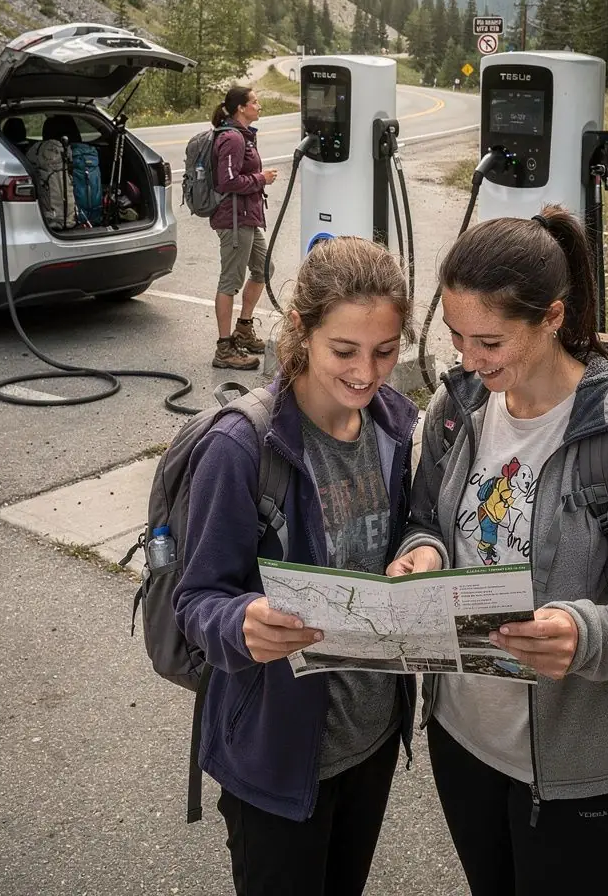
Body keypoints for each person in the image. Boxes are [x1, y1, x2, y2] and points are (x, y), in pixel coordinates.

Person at [388, 208, 608, 896]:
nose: (469, 359)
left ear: (552, 317)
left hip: (579, 765)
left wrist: (584, 633)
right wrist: (424, 553)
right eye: (456, 336)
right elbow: (424, 518)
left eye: (490, 341)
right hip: (462, 735)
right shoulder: (459, 407)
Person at [174, 236, 418, 896]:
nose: (366, 372)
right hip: (276, 756)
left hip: (370, 739)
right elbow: (196, 600)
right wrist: (242, 622)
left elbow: (400, 537)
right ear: (303, 332)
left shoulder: (394, 426)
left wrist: (417, 554)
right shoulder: (241, 447)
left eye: (385, 351)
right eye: (345, 350)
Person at [209, 85, 278, 371]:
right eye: (255, 102)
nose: (259, 106)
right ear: (241, 108)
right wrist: (261, 178)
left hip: (247, 217)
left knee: (264, 269)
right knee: (230, 281)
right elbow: (227, 181)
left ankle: (243, 329)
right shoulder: (233, 138)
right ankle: (224, 349)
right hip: (234, 219)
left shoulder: (244, 136)